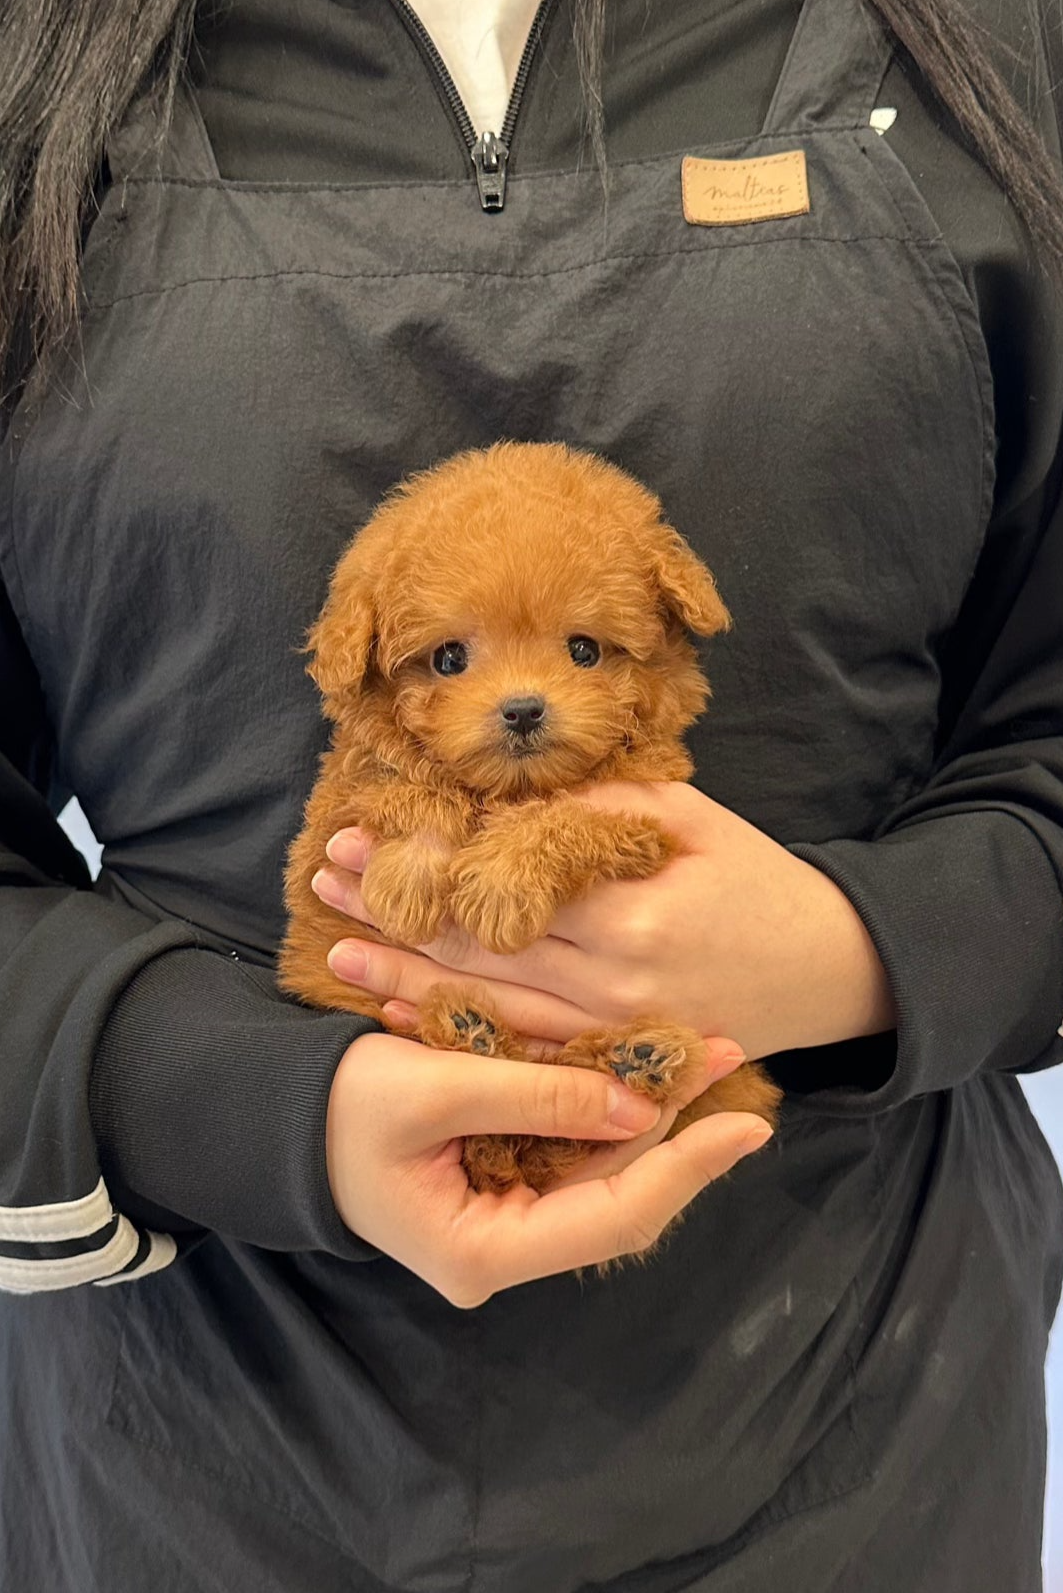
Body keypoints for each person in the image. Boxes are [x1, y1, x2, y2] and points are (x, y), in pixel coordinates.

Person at [1, 0, 1062, 1587]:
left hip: (857, 1409)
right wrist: (222, 1093)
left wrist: (855, 946)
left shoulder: (1004, 47)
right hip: (190, 1440)